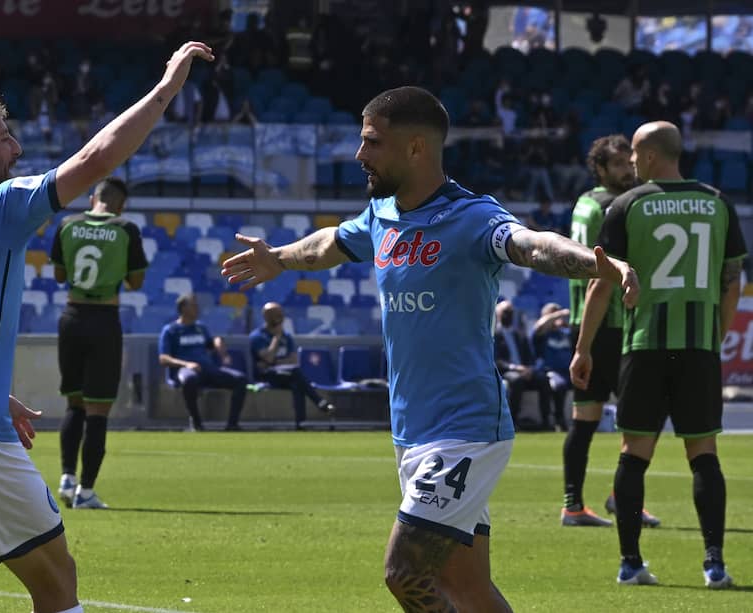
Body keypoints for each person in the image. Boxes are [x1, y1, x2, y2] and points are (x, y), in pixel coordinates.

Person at [222, 86, 638, 611]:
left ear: (416, 147)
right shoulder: (381, 215)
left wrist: (599, 262)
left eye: (372, 142)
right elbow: (331, 244)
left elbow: (532, 244)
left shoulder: (473, 216)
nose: (359, 155)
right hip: (412, 430)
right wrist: (279, 258)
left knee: (405, 574)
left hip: (465, 431)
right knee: (464, 586)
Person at [0, 41, 213, 613]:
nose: (16, 145)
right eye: (4, 135)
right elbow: (99, 159)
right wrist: (167, 88)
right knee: (58, 589)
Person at [570, 121, 746, 587]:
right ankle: (714, 564)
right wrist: (716, 336)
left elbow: (601, 283)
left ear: (648, 156)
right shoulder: (717, 202)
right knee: (704, 454)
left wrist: (584, 347)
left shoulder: (628, 205)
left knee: (634, 454)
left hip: (644, 346)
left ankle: (630, 564)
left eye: (635, 155)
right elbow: (733, 282)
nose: (630, 162)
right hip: (698, 349)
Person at [562, 133, 661, 528]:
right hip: (614, 323)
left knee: (585, 418)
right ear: (601, 168)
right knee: (642, 418)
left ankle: (575, 504)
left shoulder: (585, 202)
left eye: (629, 163)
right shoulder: (615, 206)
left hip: (585, 321)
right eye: (619, 165)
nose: (629, 170)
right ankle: (617, 497)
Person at [50, 176, 148, 510]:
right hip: (104, 321)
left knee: (73, 403)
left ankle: (66, 476)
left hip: (71, 318)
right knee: (98, 410)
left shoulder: (67, 224)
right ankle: (86, 492)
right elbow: (136, 281)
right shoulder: (126, 229)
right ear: (121, 204)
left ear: (93, 198)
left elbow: (60, 275)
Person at [159, 293, 248, 431]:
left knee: (240, 379)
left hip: (207, 369)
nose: (197, 308)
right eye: (193, 305)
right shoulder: (171, 330)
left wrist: (218, 343)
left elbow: (210, 345)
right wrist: (186, 364)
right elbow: (163, 358)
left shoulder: (201, 327)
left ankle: (232, 424)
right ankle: (196, 423)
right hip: (186, 370)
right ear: (183, 308)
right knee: (189, 380)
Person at [249, 302, 335, 429]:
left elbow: (293, 360)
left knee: (297, 383)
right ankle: (320, 403)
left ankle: (300, 423)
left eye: (280, 313)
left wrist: (274, 362)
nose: (279, 317)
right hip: (267, 376)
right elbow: (268, 358)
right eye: (275, 314)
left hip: (285, 374)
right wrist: (276, 339)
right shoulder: (257, 336)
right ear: (266, 316)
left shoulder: (287, 336)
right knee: (296, 375)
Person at [494, 299, 554, 431]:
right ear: (498, 314)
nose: (508, 315)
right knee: (517, 381)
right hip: (507, 371)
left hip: (525, 371)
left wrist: (529, 369)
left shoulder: (519, 334)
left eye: (510, 312)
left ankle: (546, 421)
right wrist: (515, 368)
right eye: (505, 312)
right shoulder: (494, 335)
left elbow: (530, 357)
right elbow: (496, 360)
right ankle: (512, 422)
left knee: (544, 380)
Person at [530, 302, 572, 432]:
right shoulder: (542, 334)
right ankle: (557, 420)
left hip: (568, 371)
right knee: (558, 385)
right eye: (552, 314)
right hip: (550, 371)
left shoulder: (564, 332)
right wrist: (559, 314)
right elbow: (539, 326)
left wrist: (566, 323)